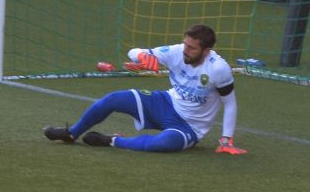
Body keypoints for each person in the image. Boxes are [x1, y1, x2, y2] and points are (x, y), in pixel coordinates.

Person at [44, 24, 246, 154]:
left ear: (206, 50)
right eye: (186, 45)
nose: (186, 50)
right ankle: (71, 133)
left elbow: (230, 104)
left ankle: (112, 141)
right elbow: (134, 52)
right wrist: (143, 56)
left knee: (162, 145)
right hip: (165, 102)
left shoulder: (218, 69)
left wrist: (226, 139)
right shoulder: (177, 51)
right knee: (113, 99)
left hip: (189, 127)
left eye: (192, 48)